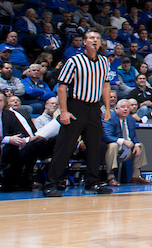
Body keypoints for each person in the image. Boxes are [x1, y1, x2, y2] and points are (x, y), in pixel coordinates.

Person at [43, 29, 113, 196]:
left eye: (97, 38)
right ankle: (50, 184)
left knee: (96, 147)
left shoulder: (104, 62)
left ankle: (92, 183)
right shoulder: (74, 61)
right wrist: (64, 111)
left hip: (94, 108)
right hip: (76, 106)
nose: (94, 40)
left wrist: (107, 108)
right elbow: (62, 87)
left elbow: (106, 86)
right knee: (65, 146)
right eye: (91, 38)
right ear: (84, 42)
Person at [103, 98, 149, 185]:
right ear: (116, 109)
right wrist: (123, 141)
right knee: (113, 145)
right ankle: (110, 177)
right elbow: (106, 137)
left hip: (125, 151)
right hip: (111, 151)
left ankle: (136, 175)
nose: (125, 109)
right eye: (122, 107)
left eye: (128, 107)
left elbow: (133, 136)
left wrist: (136, 144)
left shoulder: (130, 119)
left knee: (140, 146)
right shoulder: (110, 117)